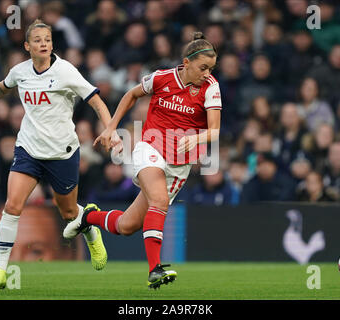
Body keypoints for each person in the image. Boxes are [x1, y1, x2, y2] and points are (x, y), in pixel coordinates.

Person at [0, 19, 119, 290]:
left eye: (48, 39)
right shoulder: (20, 71)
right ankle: (0, 270)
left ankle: (90, 229)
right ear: (27, 45)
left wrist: (111, 129)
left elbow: (96, 101)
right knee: (13, 206)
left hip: (62, 152)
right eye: (38, 40)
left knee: (67, 213)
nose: (44, 44)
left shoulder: (65, 71)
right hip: (28, 149)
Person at [63, 32, 222, 289]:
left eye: (211, 68)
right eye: (203, 67)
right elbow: (131, 95)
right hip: (151, 148)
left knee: (127, 226)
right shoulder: (162, 78)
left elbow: (214, 130)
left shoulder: (211, 87)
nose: (207, 73)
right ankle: (155, 269)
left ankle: (87, 218)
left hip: (179, 165)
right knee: (158, 201)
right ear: (186, 62)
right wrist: (111, 127)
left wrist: (197, 139)